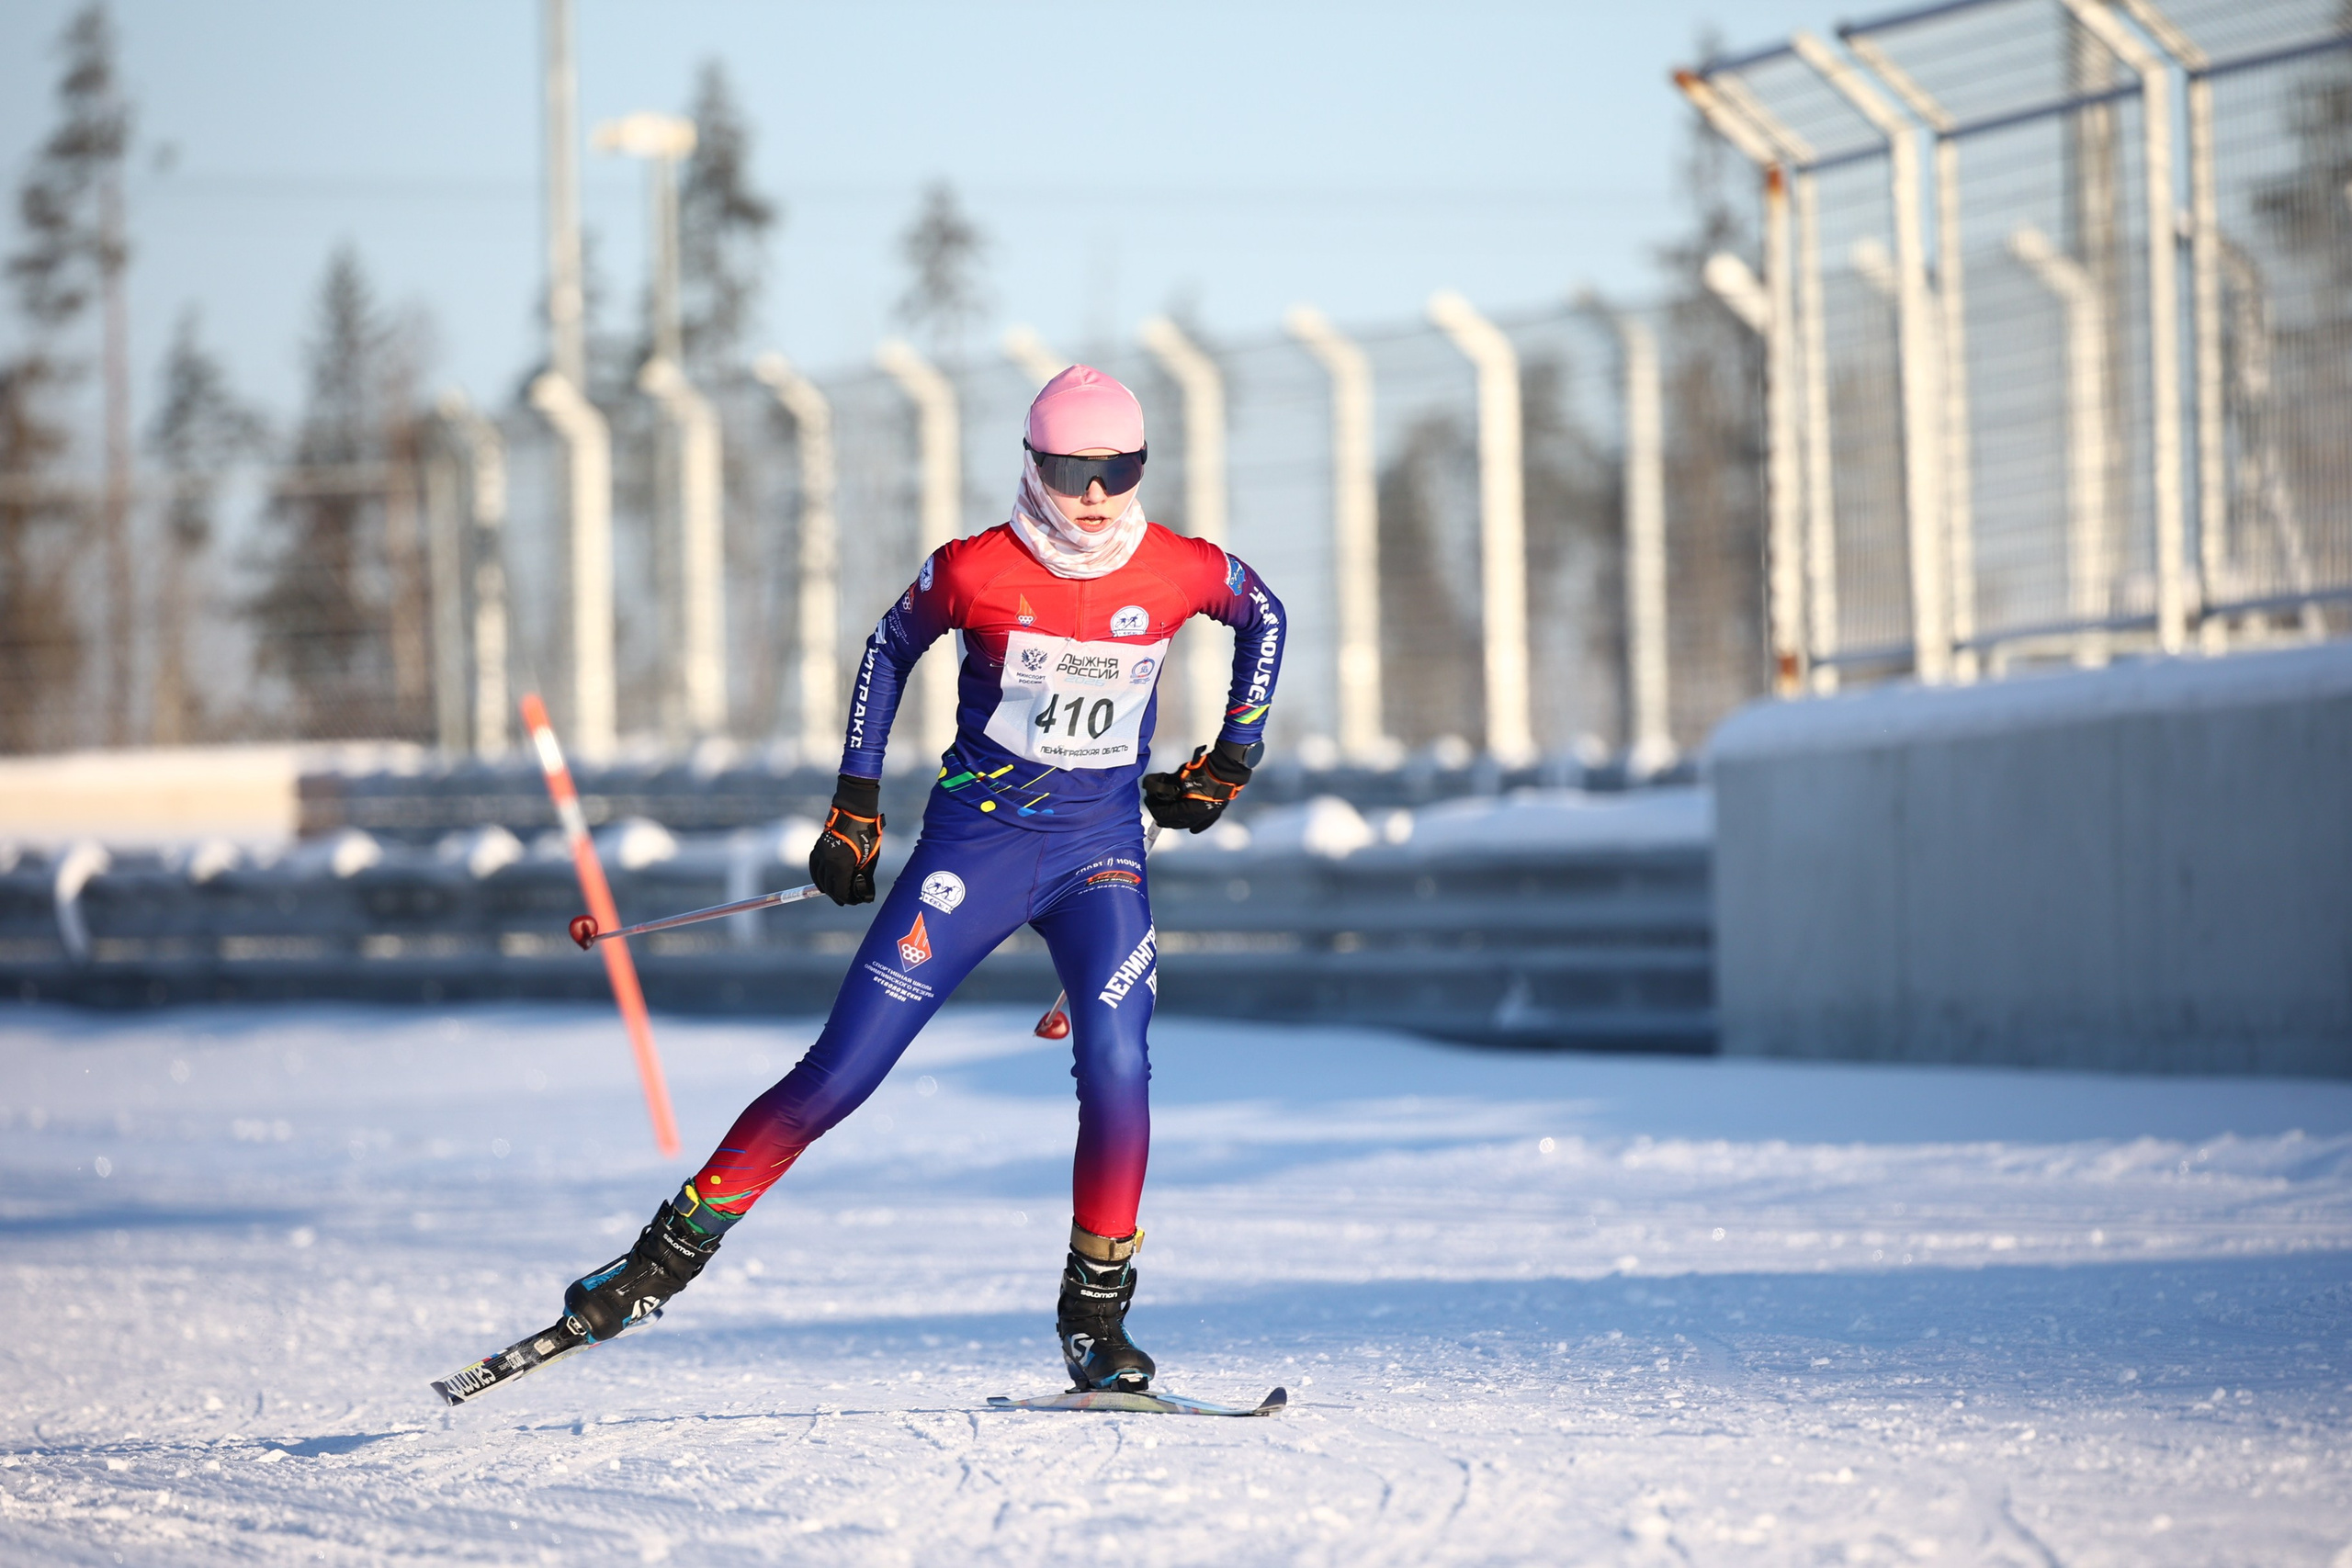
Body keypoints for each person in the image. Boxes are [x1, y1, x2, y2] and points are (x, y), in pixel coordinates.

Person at [560, 366, 1286, 1393]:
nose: (1092, 495)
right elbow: (888, 649)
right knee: (842, 1072)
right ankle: (658, 1261)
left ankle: (1094, 1322)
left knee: (1120, 1067)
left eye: (1117, 471)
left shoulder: (1178, 568)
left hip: (1099, 859)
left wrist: (1232, 758)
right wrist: (854, 804)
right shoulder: (975, 568)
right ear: (1031, 465)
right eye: (1070, 471)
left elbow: (1265, 617)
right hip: (973, 853)